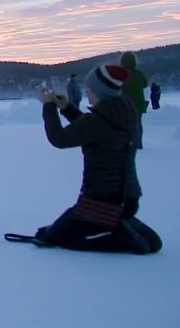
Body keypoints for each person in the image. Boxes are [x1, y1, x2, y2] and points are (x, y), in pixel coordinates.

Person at [16, 64, 162, 254]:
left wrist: (48, 106)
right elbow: (90, 129)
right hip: (127, 199)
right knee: (60, 231)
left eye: (89, 89)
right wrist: (67, 107)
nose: (87, 92)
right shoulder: (126, 113)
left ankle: (120, 237)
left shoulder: (98, 121)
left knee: (51, 236)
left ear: (99, 92)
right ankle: (120, 223)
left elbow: (59, 138)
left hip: (99, 202)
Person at [120, 51, 149, 149]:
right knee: (138, 124)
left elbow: (118, 88)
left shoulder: (122, 75)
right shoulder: (139, 74)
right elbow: (145, 84)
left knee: (127, 124)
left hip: (126, 105)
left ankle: (129, 143)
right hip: (139, 103)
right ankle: (139, 143)